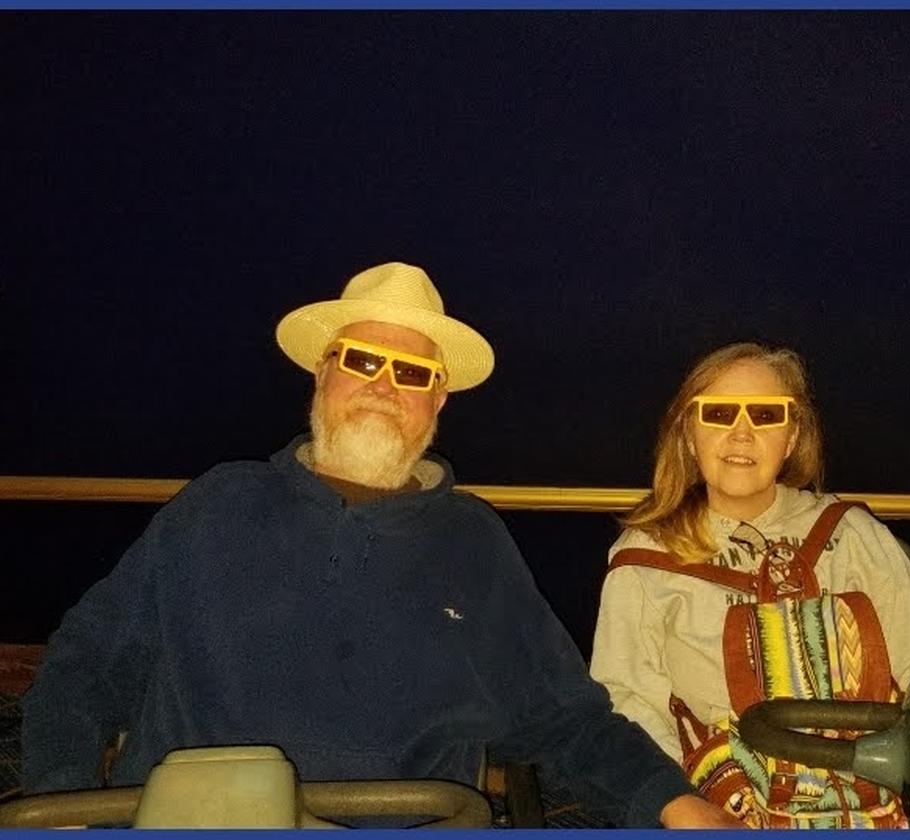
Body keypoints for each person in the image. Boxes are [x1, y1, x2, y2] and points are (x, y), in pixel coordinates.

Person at [21, 262, 736, 828]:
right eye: (362, 360)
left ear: (438, 401)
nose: (384, 387)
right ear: (322, 372)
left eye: (412, 373)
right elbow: (86, 665)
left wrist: (676, 804)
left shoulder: (474, 542)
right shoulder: (216, 506)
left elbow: (562, 719)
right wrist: (61, 805)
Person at [589, 341, 910, 824]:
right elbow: (629, 705)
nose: (741, 434)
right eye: (719, 414)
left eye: (766, 415)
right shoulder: (646, 559)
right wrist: (682, 806)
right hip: (724, 805)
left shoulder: (853, 535)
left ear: (791, 438)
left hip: (877, 786)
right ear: (688, 435)